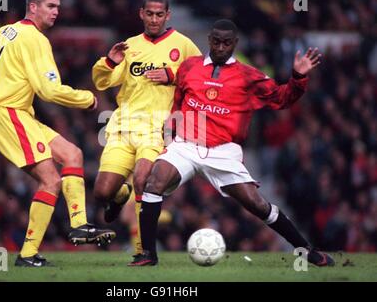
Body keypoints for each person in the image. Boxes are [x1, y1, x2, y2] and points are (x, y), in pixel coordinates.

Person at [131, 19, 335, 267]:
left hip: (223, 152)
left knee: (258, 205)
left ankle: (308, 251)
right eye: (216, 42)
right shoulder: (189, 67)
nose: (220, 47)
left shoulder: (248, 76)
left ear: (235, 44)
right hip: (185, 145)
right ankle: (148, 255)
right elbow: (177, 102)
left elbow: (282, 99)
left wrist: (297, 77)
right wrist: (169, 138)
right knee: (154, 181)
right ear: (209, 41)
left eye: (226, 43)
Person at [0, 0, 115, 267]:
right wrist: (85, 99)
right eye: (50, 6)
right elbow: (48, 90)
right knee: (51, 180)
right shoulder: (35, 39)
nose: (56, 12)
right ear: (33, 7)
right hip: (8, 113)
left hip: (16, 114)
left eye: (58, 7)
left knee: (72, 154)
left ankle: (79, 226)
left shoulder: (4, 32)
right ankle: (28, 254)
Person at [92, 0, 201, 264]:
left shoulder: (184, 45)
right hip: (122, 126)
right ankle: (119, 197)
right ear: (141, 14)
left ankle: (144, 251)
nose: (154, 19)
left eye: (159, 14)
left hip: (156, 129)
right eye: (149, 14)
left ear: (168, 15)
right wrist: (109, 61)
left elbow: (202, 76)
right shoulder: (129, 46)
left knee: (143, 180)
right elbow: (102, 82)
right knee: (102, 192)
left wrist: (173, 76)